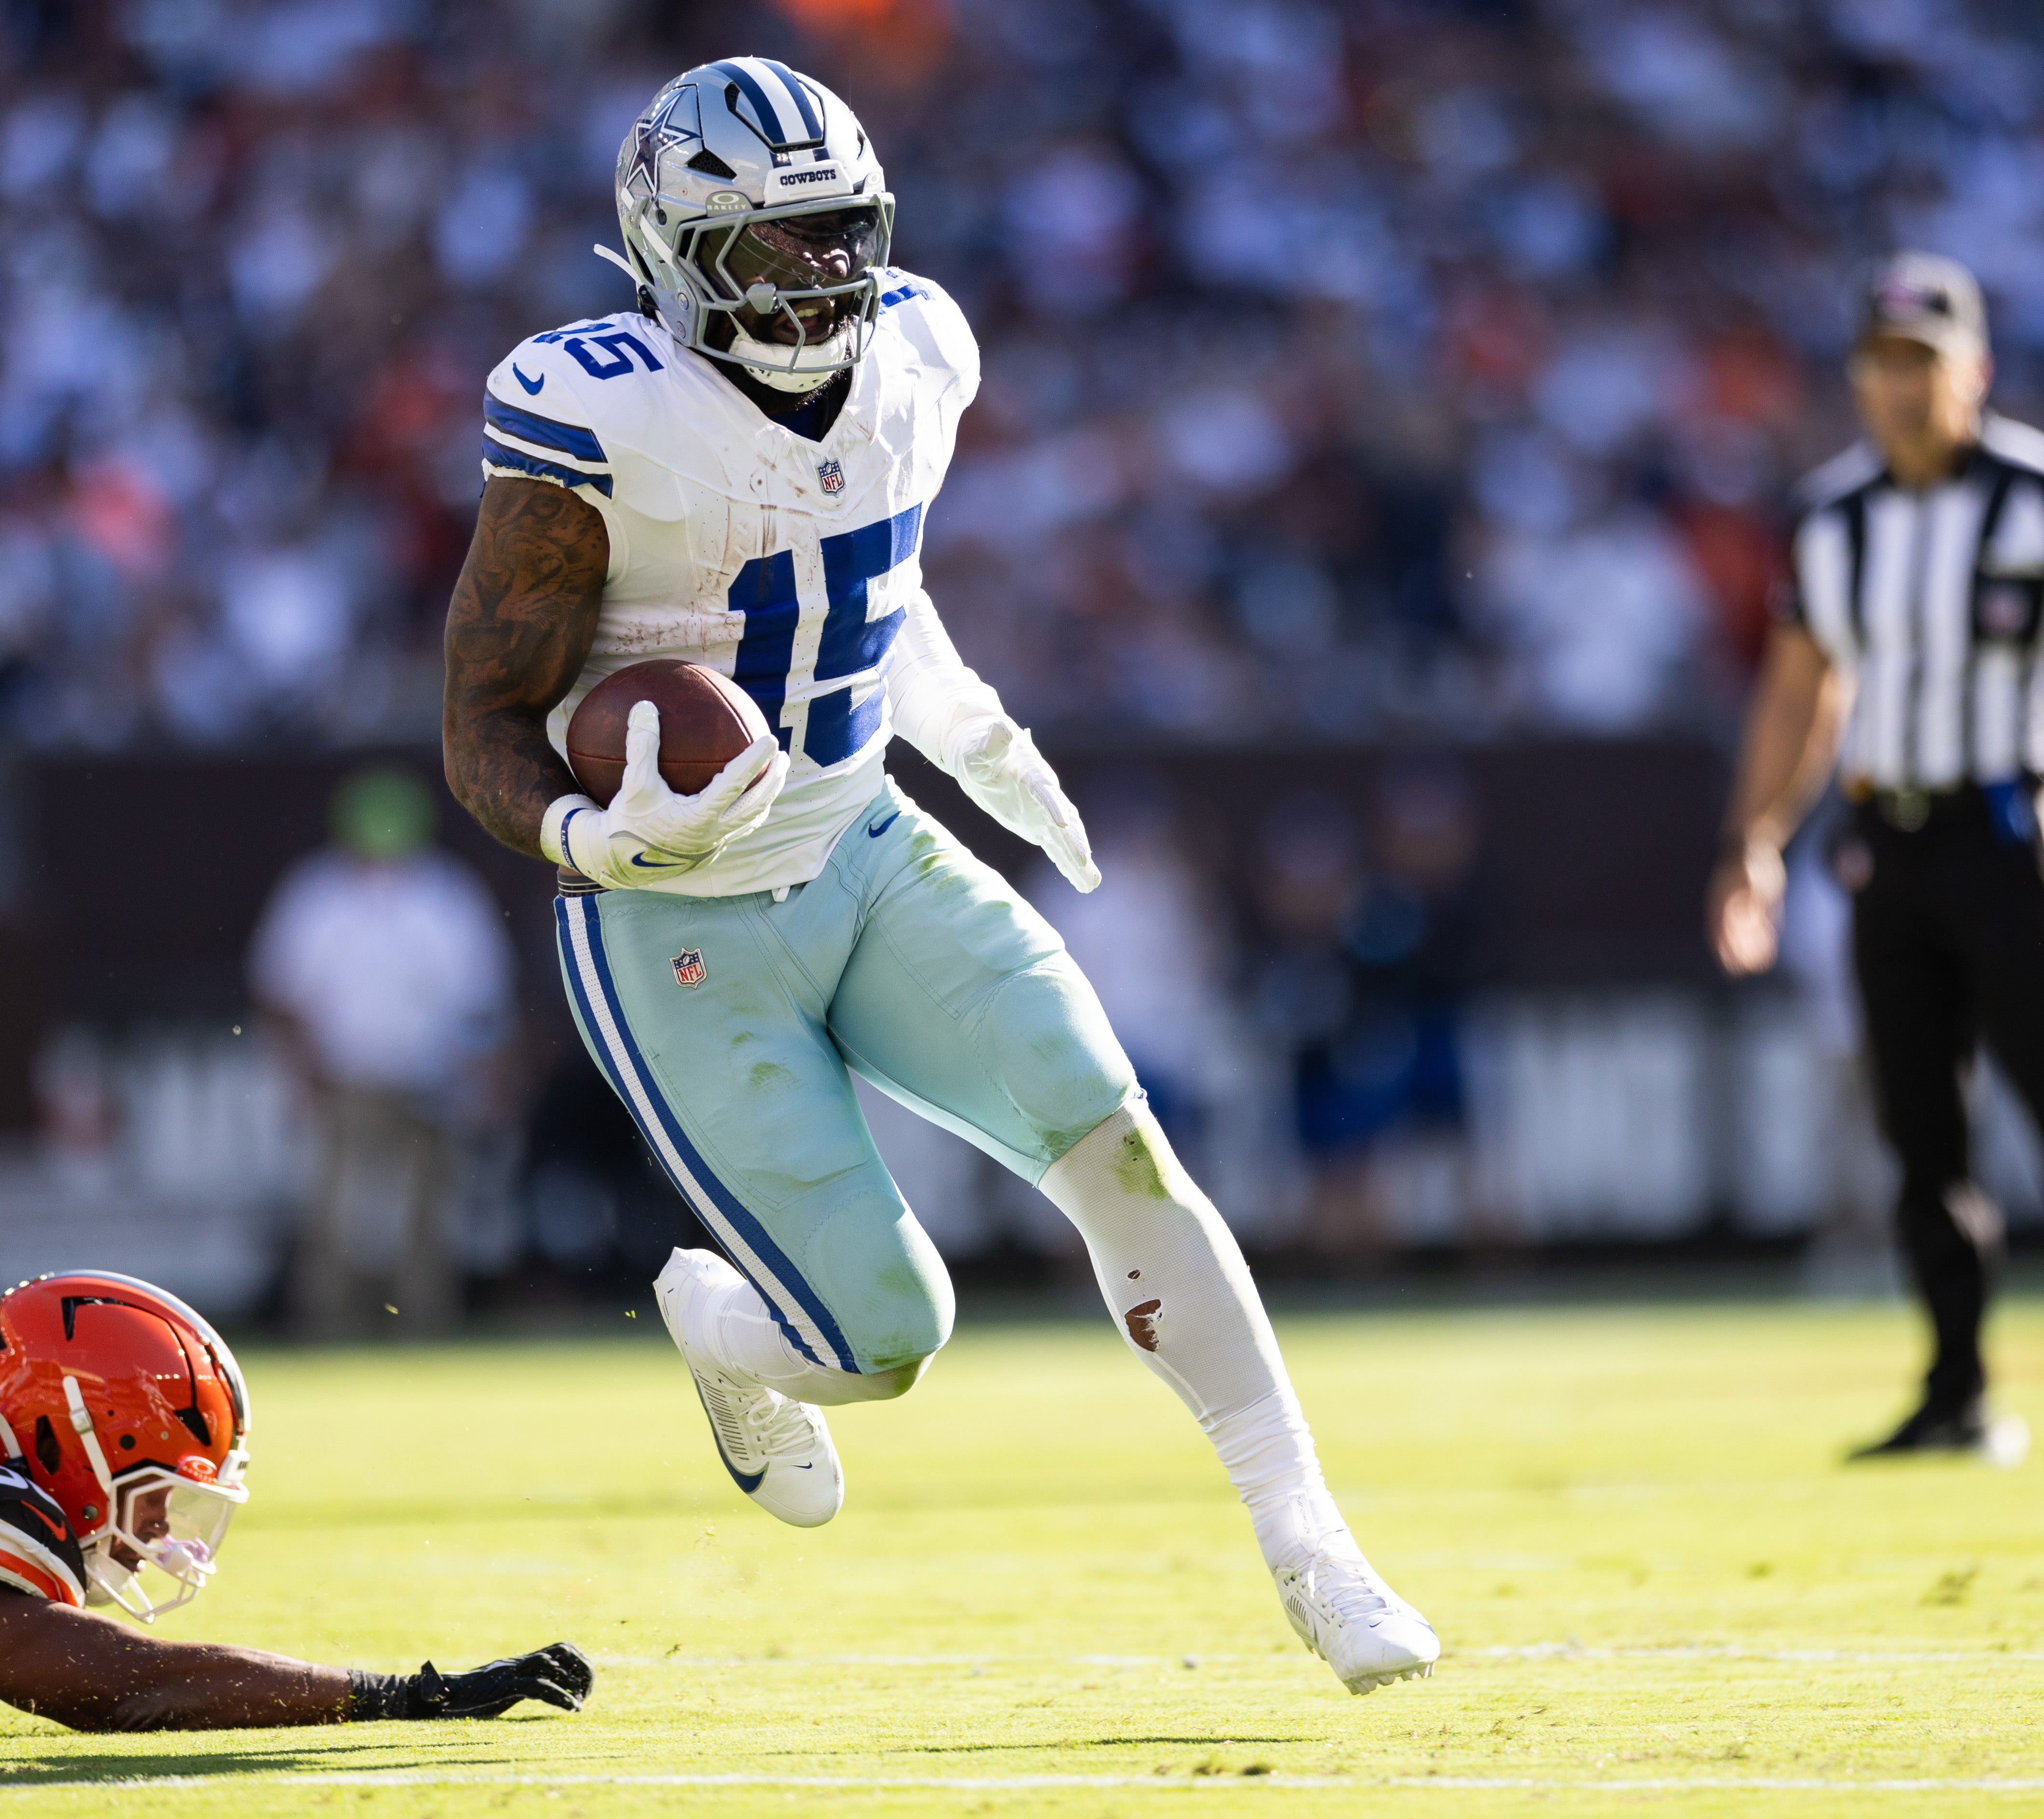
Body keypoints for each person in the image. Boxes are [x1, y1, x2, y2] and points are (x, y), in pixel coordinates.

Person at [438, 57, 1437, 1693]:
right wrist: (585, 834)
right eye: (772, 244)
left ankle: (1314, 1547)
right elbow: (479, 715)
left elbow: (861, 573)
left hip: (863, 840)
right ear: (676, 252)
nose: (822, 274)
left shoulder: (919, 349)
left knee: (1119, 1146)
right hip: (674, 920)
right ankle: (724, 1328)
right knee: (888, 1336)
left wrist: (968, 726)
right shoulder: (597, 411)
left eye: (840, 231)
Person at [1706, 252, 2044, 1469]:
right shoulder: (1831, 517)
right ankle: (1957, 1391)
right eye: (1879, 363)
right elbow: (1798, 694)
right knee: (1920, 1131)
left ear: (1971, 370)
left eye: (1920, 362)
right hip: (1886, 842)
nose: (1898, 386)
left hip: (2013, 832)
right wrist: (1753, 841)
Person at [0, 1261, 588, 1734]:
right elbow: (129, 1689)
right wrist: (398, 1696)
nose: (161, 1530)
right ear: (59, 1438)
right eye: (150, 1493)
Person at [250, 765, 516, 1337]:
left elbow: (481, 1001)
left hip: (432, 1080)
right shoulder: (317, 893)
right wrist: (301, 1077)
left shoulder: (446, 893)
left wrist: (482, 1081)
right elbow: (283, 996)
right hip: (347, 1081)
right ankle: (332, 1327)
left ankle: (423, 1329)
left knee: (428, 1216)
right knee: (336, 1213)